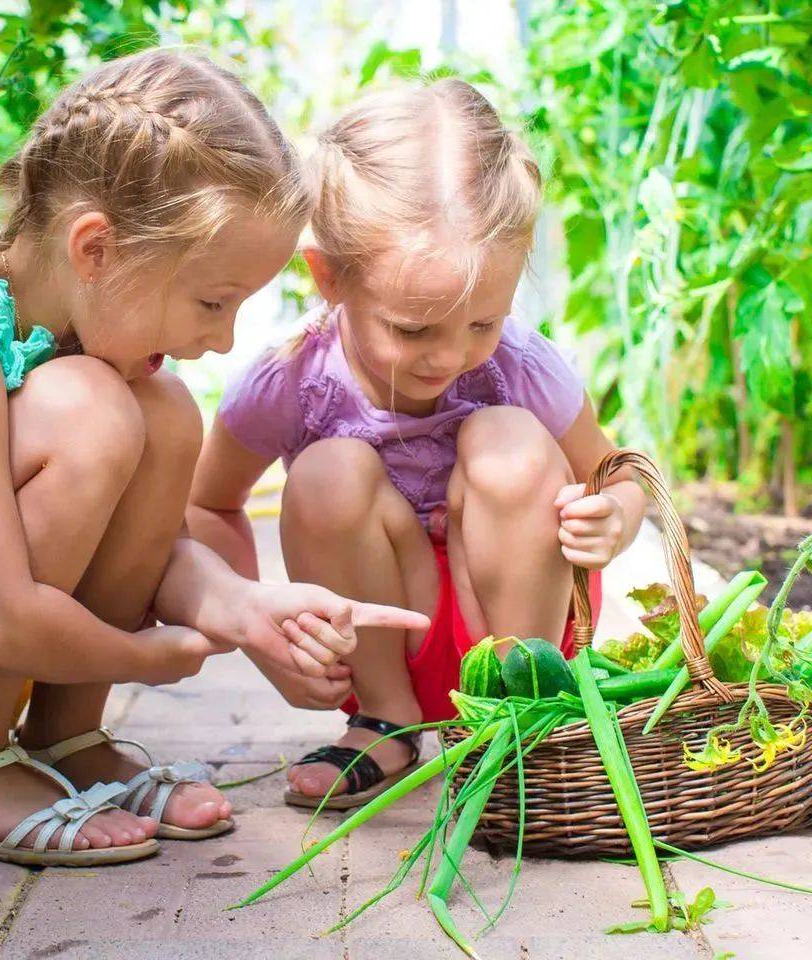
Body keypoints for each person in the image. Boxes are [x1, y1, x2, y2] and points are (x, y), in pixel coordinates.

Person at [0, 48, 427, 864]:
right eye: (211, 301)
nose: (221, 339)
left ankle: (64, 738)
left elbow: (132, 544)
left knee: (161, 415)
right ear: (96, 250)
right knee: (91, 408)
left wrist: (238, 604)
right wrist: (141, 658)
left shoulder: (61, 324)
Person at [188, 79, 646, 809]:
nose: (450, 357)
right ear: (328, 277)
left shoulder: (520, 364)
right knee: (328, 471)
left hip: (514, 619)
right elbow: (209, 506)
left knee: (509, 438)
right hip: (384, 633)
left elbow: (619, 473)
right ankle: (386, 722)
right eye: (412, 328)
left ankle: (519, 719)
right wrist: (251, 623)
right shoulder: (290, 380)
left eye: (481, 323)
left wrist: (616, 516)